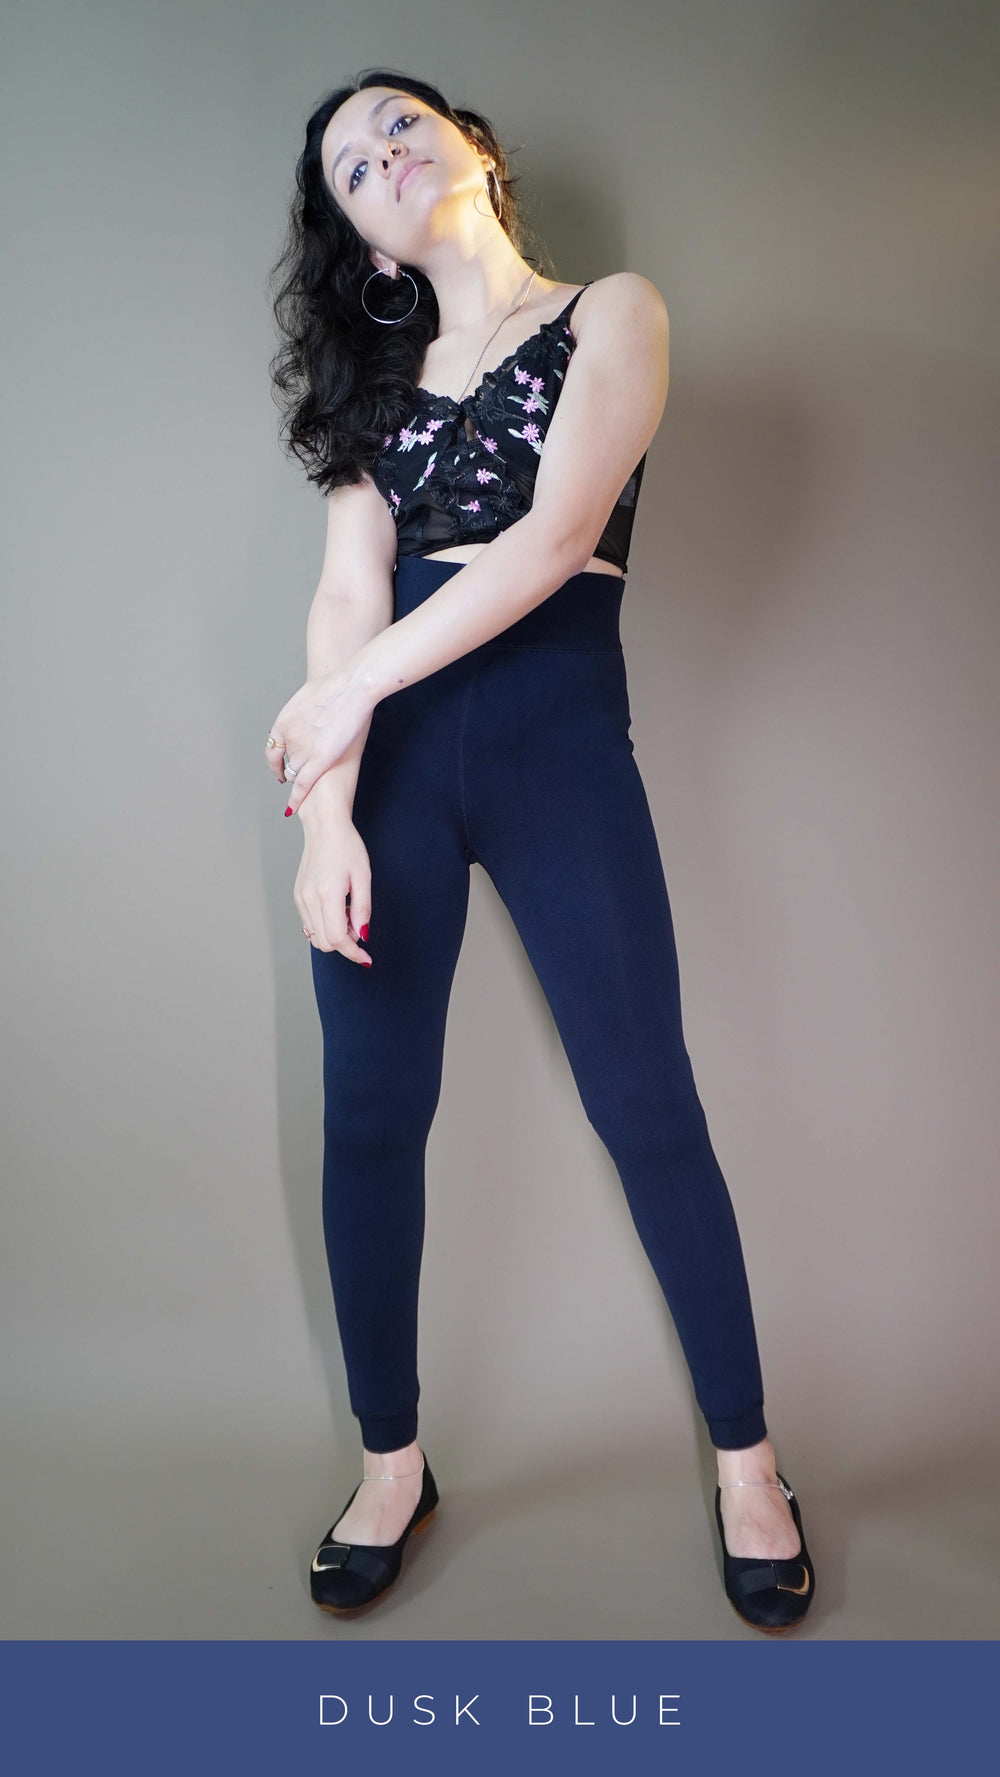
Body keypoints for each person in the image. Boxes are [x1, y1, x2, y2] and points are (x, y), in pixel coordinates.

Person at [264, 67, 815, 1632]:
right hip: (389, 772)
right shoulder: (372, 393)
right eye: (351, 167)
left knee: (648, 1105)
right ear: (362, 243)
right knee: (372, 1119)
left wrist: (343, 698)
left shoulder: (611, 315)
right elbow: (345, 598)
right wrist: (325, 817)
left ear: (475, 149)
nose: (381, 156)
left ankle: (750, 1463)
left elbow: (556, 537)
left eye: (399, 125)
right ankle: (391, 1464)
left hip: (558, 753)